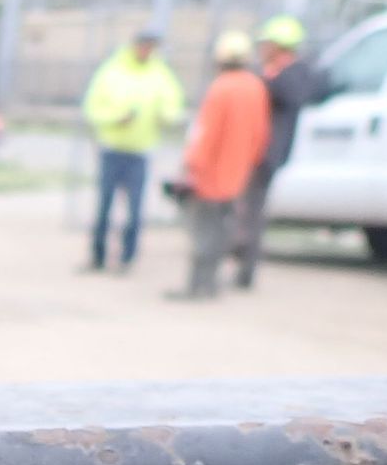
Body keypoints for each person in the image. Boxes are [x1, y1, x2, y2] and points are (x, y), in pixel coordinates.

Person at [169, 31, 270, 301]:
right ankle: (212, 284)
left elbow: (206, 133)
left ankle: (196, 286)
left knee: (203, 232)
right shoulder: (256, 87)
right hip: (237, 175)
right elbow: (260, 134)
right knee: (223, 230)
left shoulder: (221, 88)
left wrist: (191, 165)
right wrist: (248, 163)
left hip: (210, 176)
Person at [80, 29, 185, 273]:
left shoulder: (161, 75)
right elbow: (93, 108)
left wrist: (165, 116)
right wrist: (116, 118)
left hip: (140, 151)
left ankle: (127, 258)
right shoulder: (112, 71)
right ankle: (97, 256)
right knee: (104, 206)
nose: (147, 50)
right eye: (144, 45)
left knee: (135, 209)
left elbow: (173, 108)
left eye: (151, 46)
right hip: (112, 149)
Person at [233, 15, 321, 289]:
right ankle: (241, 262)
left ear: (280, 46)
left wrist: (264, 80)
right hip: (258, 152)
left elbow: (289, 94)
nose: (262, 48)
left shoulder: (290, 76)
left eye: (267, 43)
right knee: (246, 209)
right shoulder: (277, 73)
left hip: (265, 155)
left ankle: (245, 268)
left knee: (251, 211)